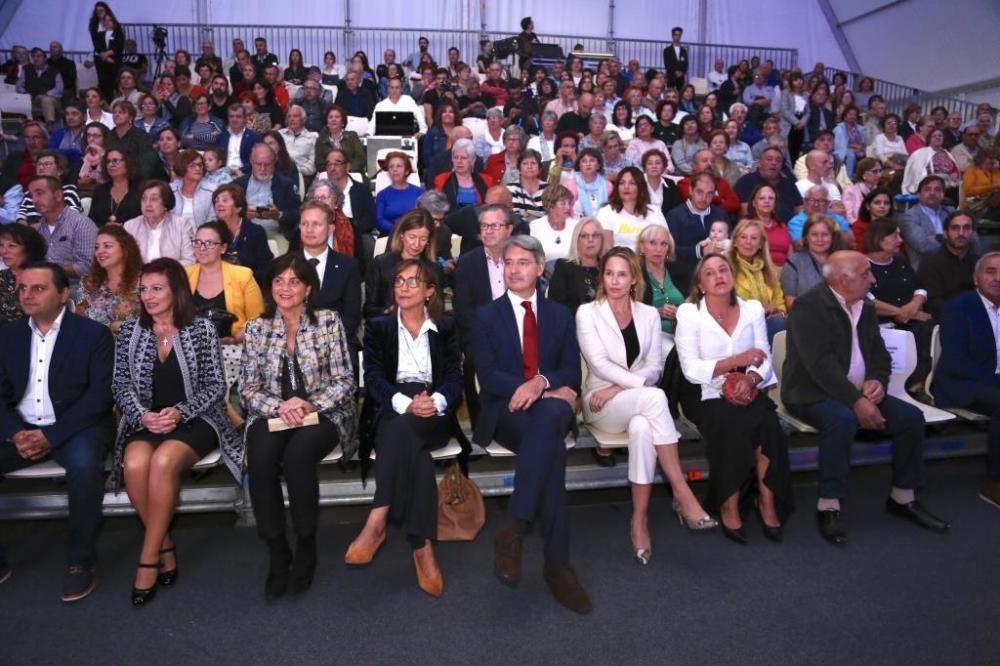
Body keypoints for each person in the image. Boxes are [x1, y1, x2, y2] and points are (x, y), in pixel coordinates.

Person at [783, 250, 950, 544]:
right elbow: (819, 366)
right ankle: (829, 505)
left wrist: (877, 380)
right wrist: (857, 401)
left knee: (911, 418)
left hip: (859, 390)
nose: (872, 279)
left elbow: (879, 354)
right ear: (840, 279)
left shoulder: (866, 306)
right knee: (842, 420)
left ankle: (903, 497)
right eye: (864, 274)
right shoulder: (808, 307)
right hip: (809, 392)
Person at [112, 258, 241, 606]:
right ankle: (165, 545)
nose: (148, 296)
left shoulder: (200, 329)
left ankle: (148, 557)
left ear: (176, 291)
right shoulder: (130, 331)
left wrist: (180, 411)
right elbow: (120, 385)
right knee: (135, 464)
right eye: (144, 289)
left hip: (197, 420)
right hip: (146, 421)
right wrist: (143, 416)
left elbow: (216, 385)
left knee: (164, 461)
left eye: (157, 289)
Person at [474, 235, 590, 614]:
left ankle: (516, 525)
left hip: (545, 409)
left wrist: (540, 383)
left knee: (551, 432)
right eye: (508, 263)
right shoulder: (486, 316)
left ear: (540, 269)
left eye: (523, 262)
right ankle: (558, 567)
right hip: (506, 411)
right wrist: (534, 389)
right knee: (553, 435)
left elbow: (571, 371)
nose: (514, 269)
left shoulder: (559, 314)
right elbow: (489, 376)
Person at [578, 247, 716, 561]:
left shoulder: (649, 314)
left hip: (629, 400)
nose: (614, 281)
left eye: (622, 274)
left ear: (633, 279)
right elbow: (599, 364)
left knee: (643, 427)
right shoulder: (588, 312)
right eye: (609, 273)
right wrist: (616, 388)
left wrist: (618, 387)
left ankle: (639, 519)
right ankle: (682, 492)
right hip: (600, 404)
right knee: (655, 397)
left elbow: (654, 367)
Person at [240, 253, 355, 600]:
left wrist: (309, 403)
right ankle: (277, 549)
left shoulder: (328, 322)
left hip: (322, 412)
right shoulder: (258, 329)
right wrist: (279, 406)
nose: (285, 288)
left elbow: (345, 381)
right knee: (259, 457)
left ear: (308, 288)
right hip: (272, 414)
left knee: (298, 455)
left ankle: (306, 544)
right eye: (278, 281)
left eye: (294, 281)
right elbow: (246, 389)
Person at [346, 259, 462, 597]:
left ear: (429, 292)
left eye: (413, 282)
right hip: (392, 404)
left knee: (401, 434)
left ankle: (377, 518)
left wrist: (436, 400)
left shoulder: (447, 326)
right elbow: (375, 380)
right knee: (414, 451)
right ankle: (422, 547)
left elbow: (455, 378)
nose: (404, 287)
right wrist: (405, 403)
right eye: (399, 281)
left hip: (433, 404)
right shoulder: (379, 326)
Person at [0, 262, 114, 601]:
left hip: (75, 426)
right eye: (23, 288)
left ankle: (80, 560)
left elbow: (100, 396)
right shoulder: (7, 336)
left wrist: (52, 435)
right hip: (21, 428)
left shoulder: (92, 334)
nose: (28, 295)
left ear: (63, 294)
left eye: (38, 288)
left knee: (83, 467)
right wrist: (14, 432)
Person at [675, 254, 793, 544]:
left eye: (723, 269)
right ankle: (729, 501)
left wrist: (751, 379)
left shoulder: (751, 309)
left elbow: (762, 357)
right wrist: (736, 361)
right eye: (710, 273)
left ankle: (766, 499)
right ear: (700, 285)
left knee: (768, 422)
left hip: (747, 384)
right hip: (703, 389)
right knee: (730, 422)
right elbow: (691, 369)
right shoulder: (690, 314)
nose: (718, 276)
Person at [932, 252, 1000, 507]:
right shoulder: (958, 309)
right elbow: (958, 363)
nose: (998, 278)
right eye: (990, 272)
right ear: (976, 278)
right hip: (963, 384)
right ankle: (994, 482)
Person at [863, 218, 934, 394]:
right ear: (879, 239)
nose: (900, 241)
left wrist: (914, 305)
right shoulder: (863, 264)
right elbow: (866, 299)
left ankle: (919, 382)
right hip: (880, 322)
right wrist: (902, 313)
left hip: (909, 318)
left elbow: (920, 288)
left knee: (931, 327)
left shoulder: (900, 261)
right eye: (894, 236)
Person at [297, 201, 362, 358]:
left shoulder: (348, 266)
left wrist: (325, 343)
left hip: (337, 342)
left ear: (330, 229)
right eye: (304, 224)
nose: (309, 229)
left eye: (316, 224)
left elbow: (351, 316)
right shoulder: (285, 265)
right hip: (294, 341)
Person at [185, 221, 264, 344]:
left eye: (209, 243)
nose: (202, 248)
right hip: (192, 346)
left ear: (223, 248)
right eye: (198, 242)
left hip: (233, 348)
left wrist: (235, 339)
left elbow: (258, 322)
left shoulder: (243, 276)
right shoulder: (184, 275)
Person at [665, 171, 731, 294]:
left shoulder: (721, 215)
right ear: (691, 190)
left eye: (709, 194)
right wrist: (700, 251)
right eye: (699, 192)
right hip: (687, 274)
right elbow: (670, 251)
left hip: (720, 271)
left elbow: (730, 243)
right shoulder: (674, 216)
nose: (704, 198)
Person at [365, 210, 437, 318]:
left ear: (428, 241)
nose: (416, 244)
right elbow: (369, 309)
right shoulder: (381, 264)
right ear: (402, 235)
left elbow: (438, 309)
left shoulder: (433, 269)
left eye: (423, 239)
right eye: (412, 237)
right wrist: (387, 312)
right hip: (387, 326)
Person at [27, 176, 97, 285]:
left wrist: (49, 269)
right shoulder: (38, 229)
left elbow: (88, 267)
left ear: (58, 195)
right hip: (44, 287)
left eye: (39, 193)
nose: (34, 200)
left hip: (77, 288)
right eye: (32, 196)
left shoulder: (80, 223)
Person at [728, 219, 787, 343]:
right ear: (735, 242)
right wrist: (760, 309)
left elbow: (779, 301)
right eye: (743, 237)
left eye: (754, 238)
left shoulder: (771, 270)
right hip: (737, 325)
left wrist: (779, 312)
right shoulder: (725, 267)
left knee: (780, 322)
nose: (748, 242)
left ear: (761, 244)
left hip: (768, 322)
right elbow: (726, 304)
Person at [76, 223, 141, 333]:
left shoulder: (144, 282)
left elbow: (157, 324)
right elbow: (78, 321)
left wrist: (122, 327)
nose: (100, 251)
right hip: (94, 346)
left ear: (124, 249)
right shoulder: (88, 282)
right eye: (97, 247)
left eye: (107, 246)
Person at [233, 143, 301, 244]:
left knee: (281, 258)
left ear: (274, 163)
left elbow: (297, 213)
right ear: (251, 162)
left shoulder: (286, 185)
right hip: (243, 233)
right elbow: (225, 212)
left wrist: (279, 215)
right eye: (259, 164)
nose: (263, 169)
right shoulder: (238, 184)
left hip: (275, 234)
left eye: (267, 164)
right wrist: (241, 215)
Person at [914, 211, 977, 319]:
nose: (961, 233)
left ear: (972, 232)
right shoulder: (930, 264)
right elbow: (935, 305)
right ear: (945, 233)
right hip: (947, 321)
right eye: (955, 228)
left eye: (966, 228)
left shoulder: (979, 263)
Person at [211, 184, 273, 287]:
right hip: (218, 286)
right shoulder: (212, 231)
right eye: (216, 201)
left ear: (239, 207)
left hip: (249, 285)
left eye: (224, 200)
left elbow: (265, 268)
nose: (219, 204)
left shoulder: (255, 232)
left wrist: (244, 280)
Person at [123, 180, 195, 265]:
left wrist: (162, 272)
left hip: (171, 276)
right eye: (144, 199)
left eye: (154, 199)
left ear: (165, 203)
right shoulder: (130, 226)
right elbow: (124, 260)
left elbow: (190, 260)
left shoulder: (182, 225)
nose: (147, 204)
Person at [781, 214, 843, 309]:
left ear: (833, 237)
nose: (819, 239)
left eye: (825, 235)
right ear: (806, 237)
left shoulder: (843, 261)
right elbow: (790, 301)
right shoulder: (794, 262)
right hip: (806, 317)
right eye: (814, 234)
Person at [597, 166, 667, 249]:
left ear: (640, 187)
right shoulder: (606, 212)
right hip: (619, 260)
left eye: (632, 183)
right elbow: (606, 248)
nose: (626, 187)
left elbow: (666, 242)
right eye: (622, 183)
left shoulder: (654, 211)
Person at [548, 218, 605, 315]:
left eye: (595, 235)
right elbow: (557, 307)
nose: (590, 240)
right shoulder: (564, 267)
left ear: (602, 239)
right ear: (576, 240)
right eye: (584, 236)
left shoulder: (608, 268)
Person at [636, 224, 684, 337]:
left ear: (669, 249)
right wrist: (657, 313)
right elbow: (630, 315)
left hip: (683, 332)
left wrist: (682, 313)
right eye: (652, 243)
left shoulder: (682, 271)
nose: (658, 249)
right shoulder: (634, 276)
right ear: (642, 247)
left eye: (663, 244)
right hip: (650, 335)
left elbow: (694, 302)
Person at [734, 146, 804, 223]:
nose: (774, 163)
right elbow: (745, 213)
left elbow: (799, 210)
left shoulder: (789, 184)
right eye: (769, 159)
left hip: (788, 229)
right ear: (759, 163)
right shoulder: (746, 181)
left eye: (778, 160)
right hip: (757, 228)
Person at [14, 150, 82, 225]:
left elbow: (72, 219)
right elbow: (20, 215)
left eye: (47, 164)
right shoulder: (29, 193)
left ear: (60, 171)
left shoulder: (68, 192)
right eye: (39, 164)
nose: (41, 167)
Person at [901, 175, 954, 270]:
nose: (932, 193)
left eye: (937, 189)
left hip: (953, 267)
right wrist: (953, 242)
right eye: (927, 189)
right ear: (918, 194)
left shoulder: (951, 212)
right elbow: (924, 246)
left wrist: (936, 237)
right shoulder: (910, 216)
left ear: (943, 194)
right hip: (924, 269)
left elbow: (971, 238)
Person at [0, 225, 47, 324]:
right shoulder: (2, 277)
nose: (3, 252)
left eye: (11, 246)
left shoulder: (45, 278)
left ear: (28, 249)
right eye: (1, 245)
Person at [434, 138, 494, 209]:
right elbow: (437, 207)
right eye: (455, 157)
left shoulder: (487, 180)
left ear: (473, 161)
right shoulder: (441, 180)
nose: (459, 161)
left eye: (463, 158)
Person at [374, 152, 424, 235]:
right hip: (389, 236)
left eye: (398, 166)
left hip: (415, 236)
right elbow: (379, 221)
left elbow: (423, 217)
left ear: (407, 171)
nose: (394, 169)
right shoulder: (382, 195)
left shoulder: (419, 192)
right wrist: (398, 229)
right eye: (391, 167)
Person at [746, 183, 792, 266]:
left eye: (771, 198)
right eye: (762, 198)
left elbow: (790, 253)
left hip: (784, 271)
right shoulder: (747, 225)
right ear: (754, 203)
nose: (767, 201)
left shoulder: (782, 226)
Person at [314, 105, 367, 177]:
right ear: (327, 123)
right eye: (330, 117)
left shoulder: (352, 136)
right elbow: (319, 163)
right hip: (329, 175)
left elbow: (360, 158)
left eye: (337, 117)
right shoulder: (321, 140)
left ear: (342, 122)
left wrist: (346, 170)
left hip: (351, 174)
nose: (333, 119)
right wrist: (333, 170)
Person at [507, 150, 548, 222]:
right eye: (525, 163)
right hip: (520, 229)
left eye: (533, 163)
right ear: (519, 168)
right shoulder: (510, 189)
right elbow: (511, 216)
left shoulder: (548, 188)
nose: (529, 167)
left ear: (540, 168)